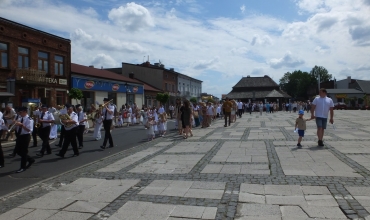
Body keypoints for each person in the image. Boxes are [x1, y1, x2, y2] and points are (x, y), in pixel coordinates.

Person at [14, 107, 35, 173]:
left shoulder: (29, 119)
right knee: (17, 151)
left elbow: (29, 130)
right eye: (19, 112)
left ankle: (22, 167)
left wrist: (22, 125)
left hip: (26, 136)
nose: (19, 114)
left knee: (24, 152)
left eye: (21, 112)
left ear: (25, 112)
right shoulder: (20, 118)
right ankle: (30, 159)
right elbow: (17, 126)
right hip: (20, 136)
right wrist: (15, 123)